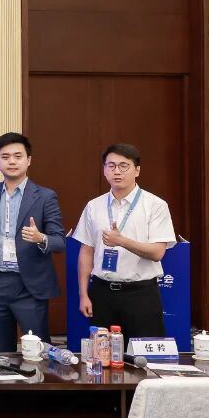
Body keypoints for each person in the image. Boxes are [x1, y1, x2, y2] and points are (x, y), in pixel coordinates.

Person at [0, 133, 65, 352]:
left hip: (29, 285)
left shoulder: (45, 196)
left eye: (17, 156)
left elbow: (60, 241)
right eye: (5, 157)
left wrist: (41, 238)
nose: (11, 161)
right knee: (1, 351)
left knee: (37, 351)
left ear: (28, 160)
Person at [73, 143, 176, 338]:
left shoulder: (155, 205)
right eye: (111, 166)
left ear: (137, 170)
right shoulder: (94, 206)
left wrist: (122, 241)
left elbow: (157, 253)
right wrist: (83, 295)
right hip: (102, 293)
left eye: (124, 166)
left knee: (143, 352)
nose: (117, 171)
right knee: (103, 353)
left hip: (141, 294)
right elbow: (86, 251)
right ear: (104, 170)